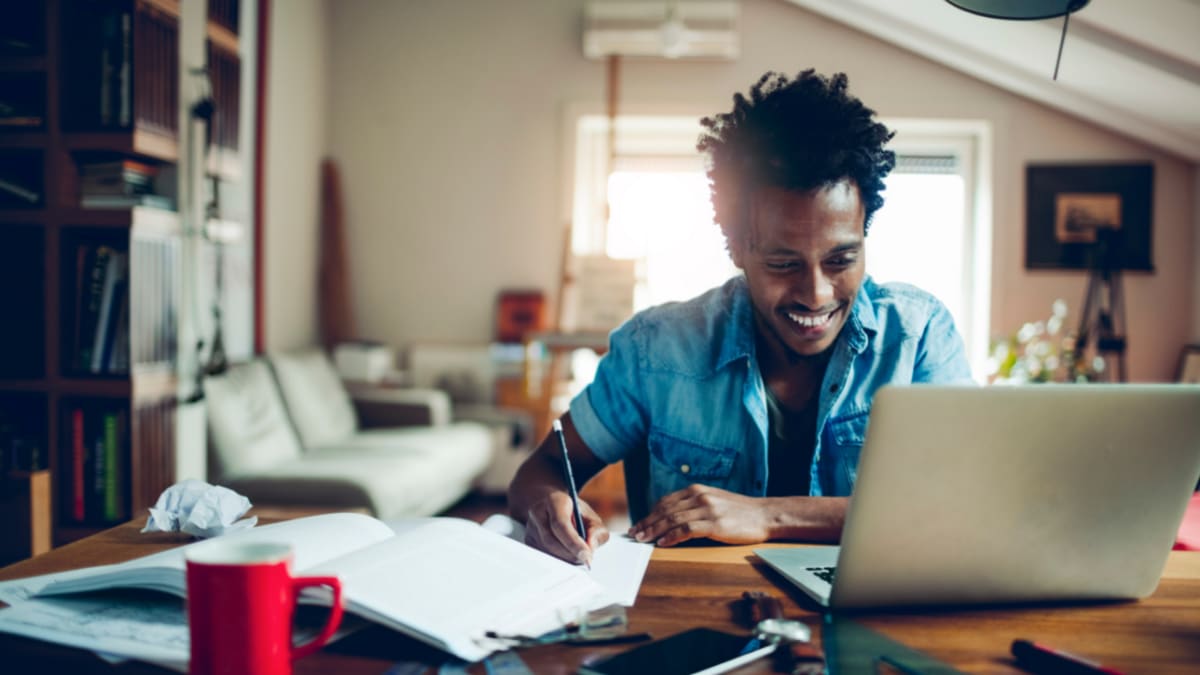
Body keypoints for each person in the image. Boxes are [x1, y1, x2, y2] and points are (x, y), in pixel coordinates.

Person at [508, 69, 973, 566]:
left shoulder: (919, 336)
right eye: (782, 264)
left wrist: (771, 515)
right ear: (736, 248)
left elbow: (965, 508)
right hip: (695, 620)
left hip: (874, 613)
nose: (815, 294)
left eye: (841, 260)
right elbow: (544, 470)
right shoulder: (657, 350)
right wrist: (551, 507)